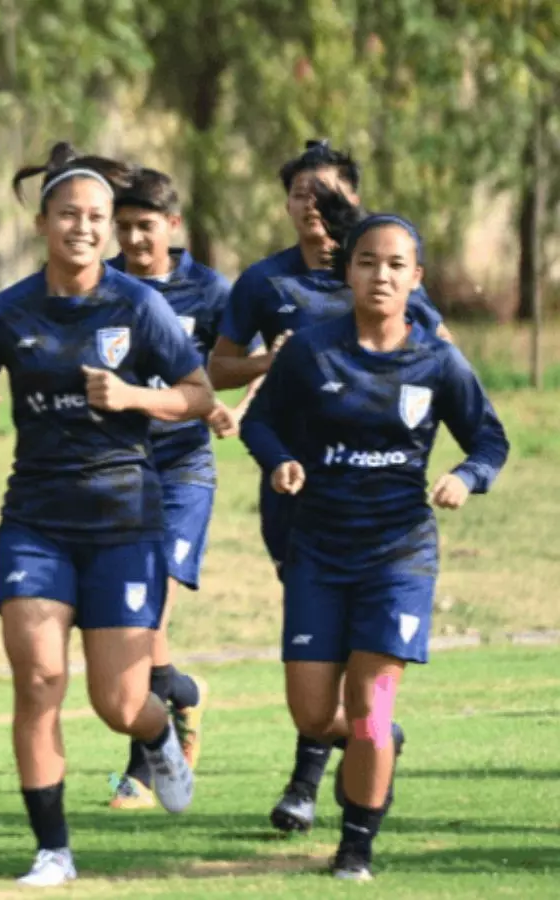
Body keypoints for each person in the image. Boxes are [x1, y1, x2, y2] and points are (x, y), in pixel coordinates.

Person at [0, 142, 209, 888]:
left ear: (110, 226)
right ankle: (53, 850)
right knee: (38, 680)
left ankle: (159, 735)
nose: (83, 228)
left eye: (96, 217)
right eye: (69, 215)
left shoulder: (139, 306)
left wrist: (133, 397)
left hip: (124, 521)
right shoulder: (7, 311)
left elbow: (198, 395)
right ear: (42, 223)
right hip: (36, 521)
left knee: (119, 703)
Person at [240, 199, 508, 880]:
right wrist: (280, 460)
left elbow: (489, 439)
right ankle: (376, 747)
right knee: (312, 713)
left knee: (371, 703)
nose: (380, 276)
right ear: (348, 274)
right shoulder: (312, 350)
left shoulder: (438, 361)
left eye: (395, 265)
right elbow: (259, 422)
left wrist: (466, 476)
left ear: (416, 277)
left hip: (398, 556)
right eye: (366, 262)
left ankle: (355, 849)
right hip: (318, 551)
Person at [208, 141, 450, 834]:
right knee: (318, 642)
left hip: (375, 497)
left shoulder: (384, 271)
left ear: (353, 199)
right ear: (286, 205)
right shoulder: (264, 282)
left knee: (354, 639)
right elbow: (217, 369)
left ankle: (307, 783)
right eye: (299, 195)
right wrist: (268, 361)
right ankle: (368, 737)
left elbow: (442, 357)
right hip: (294, 487)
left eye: (327, 195)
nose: (312, 207)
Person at [103, 168, 246, 809]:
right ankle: (184, 695)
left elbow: (237, 363)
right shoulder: (101, 285)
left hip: (184, 468)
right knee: (131, 621)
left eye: (145, 226)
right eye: (124, 227)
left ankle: (140, 771)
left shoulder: (210, 291)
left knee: (146, 616)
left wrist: (224, 404)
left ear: (173, 225)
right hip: (118, 470)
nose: (134, 239)